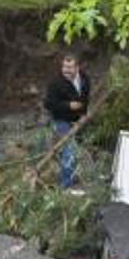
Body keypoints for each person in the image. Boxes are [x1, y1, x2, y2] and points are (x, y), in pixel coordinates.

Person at [43, 53, 91, 190]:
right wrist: (68, 105)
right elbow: (48, 104)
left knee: (77, 149)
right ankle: (65, 185)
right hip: (61, 120)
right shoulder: (55, 83)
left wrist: (83, 115)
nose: (66, 70)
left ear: (77, 67)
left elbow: (85, 98)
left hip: (78, 120)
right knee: (68, 150)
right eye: (64, 66)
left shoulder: (84, 78)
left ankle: (71, 175)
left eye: (69, 67)